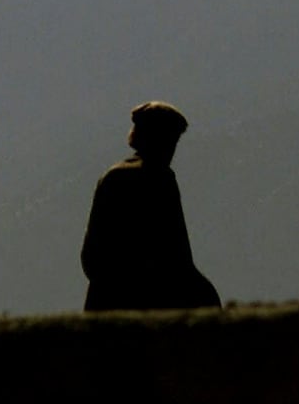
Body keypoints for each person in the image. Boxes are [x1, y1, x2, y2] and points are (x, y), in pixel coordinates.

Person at [81, 102, 221, 311]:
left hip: (105, 300)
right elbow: (179, 257)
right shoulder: (161, 179)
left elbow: (91, 256)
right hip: (152, 297)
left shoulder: (112, 177)